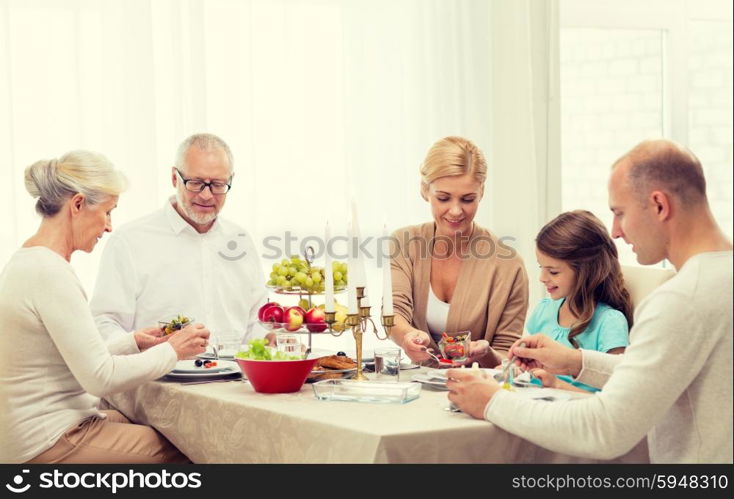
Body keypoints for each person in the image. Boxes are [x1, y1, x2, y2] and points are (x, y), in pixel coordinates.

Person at [447, 139, 733, 463]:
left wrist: (490, 401)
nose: (615, 232)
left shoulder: (682, 300)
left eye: (620, 213)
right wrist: (574, 361)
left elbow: (604, 429)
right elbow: (651, 373)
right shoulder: (718, 280)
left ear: (659, 205)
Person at [0, 150, 210, 463]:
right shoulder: (49, 273)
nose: (109, 227)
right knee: (192, 452)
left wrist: (134, 342)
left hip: (41, 431)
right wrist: (174, 350)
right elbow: (100, 377)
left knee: (165, 427)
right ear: (78, 205)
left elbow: (75, 356)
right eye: (108, 212)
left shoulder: (29, 261)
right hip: (50, 441)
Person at [90, 133, 267, 347]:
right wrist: (140, 346)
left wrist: (270, 339)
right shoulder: (129, 241)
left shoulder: (241, 240)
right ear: (175, 178)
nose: (206, 195)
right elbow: (104, 322)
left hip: (237, 378)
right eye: (196, 183)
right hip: (160, 378)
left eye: (218, 185)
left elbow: (256, 321)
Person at [389, 136, 528, 368]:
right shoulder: (404, 243)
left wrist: (485, 354)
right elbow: (394, 312)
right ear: (425, 190)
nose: (455, 211)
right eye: (443, 198)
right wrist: (407, 337)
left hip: (480, 391)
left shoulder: (508, 265)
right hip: (419, 387)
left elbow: (507, 354)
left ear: (481, 192)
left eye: (467, 199)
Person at [526, 210, 632, 393]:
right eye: (541, 267)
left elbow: (616, 398)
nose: (542, 278)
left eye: (553, 272)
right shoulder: (543, 310)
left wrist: (558, 385)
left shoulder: (610, 322)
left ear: (586, 271)